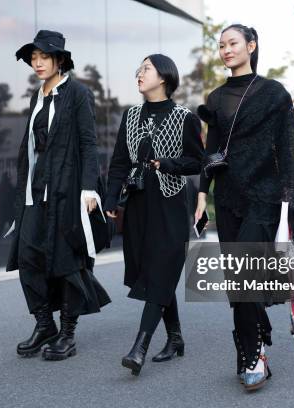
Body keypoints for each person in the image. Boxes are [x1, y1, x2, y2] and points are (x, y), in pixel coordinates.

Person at [194, 24, 294, 391]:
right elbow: (211, 151)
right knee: (237, 280)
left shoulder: (274, 94)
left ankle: (253, 355)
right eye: (221, 45)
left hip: (265, 196)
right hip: (227, 197)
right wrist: (201, 195)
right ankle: (253, 343)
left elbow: (289, 149)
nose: (226, 50)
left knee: (246, 274)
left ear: (251, 46)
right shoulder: (214, 97)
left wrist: (293, 203)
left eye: (233, 43)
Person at [7, 30, 110, 361]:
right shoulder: (37, 97)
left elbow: (88, 142)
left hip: (67, 191)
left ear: (59, 60)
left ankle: (67, 333)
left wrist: (89, 187)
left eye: (43, 57)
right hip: (36, 193)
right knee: (28, 256)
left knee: (66, 260)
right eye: (33, 58)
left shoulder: (78, 93)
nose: (37, 63)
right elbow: (30, 149)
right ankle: (44, 324)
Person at [104, 54, 203, 376]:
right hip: (138, 206)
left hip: (170, 206)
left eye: (146, 68)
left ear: (163, 76)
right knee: (154, 271)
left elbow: (197, 162)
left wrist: (167, 163)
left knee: (162, 269)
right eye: (139, 68)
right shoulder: (130, 115)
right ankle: (175, 338)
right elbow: (120, 161)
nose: (139, 73)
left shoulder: (184, 116)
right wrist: (111, 198)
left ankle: (139, 347)